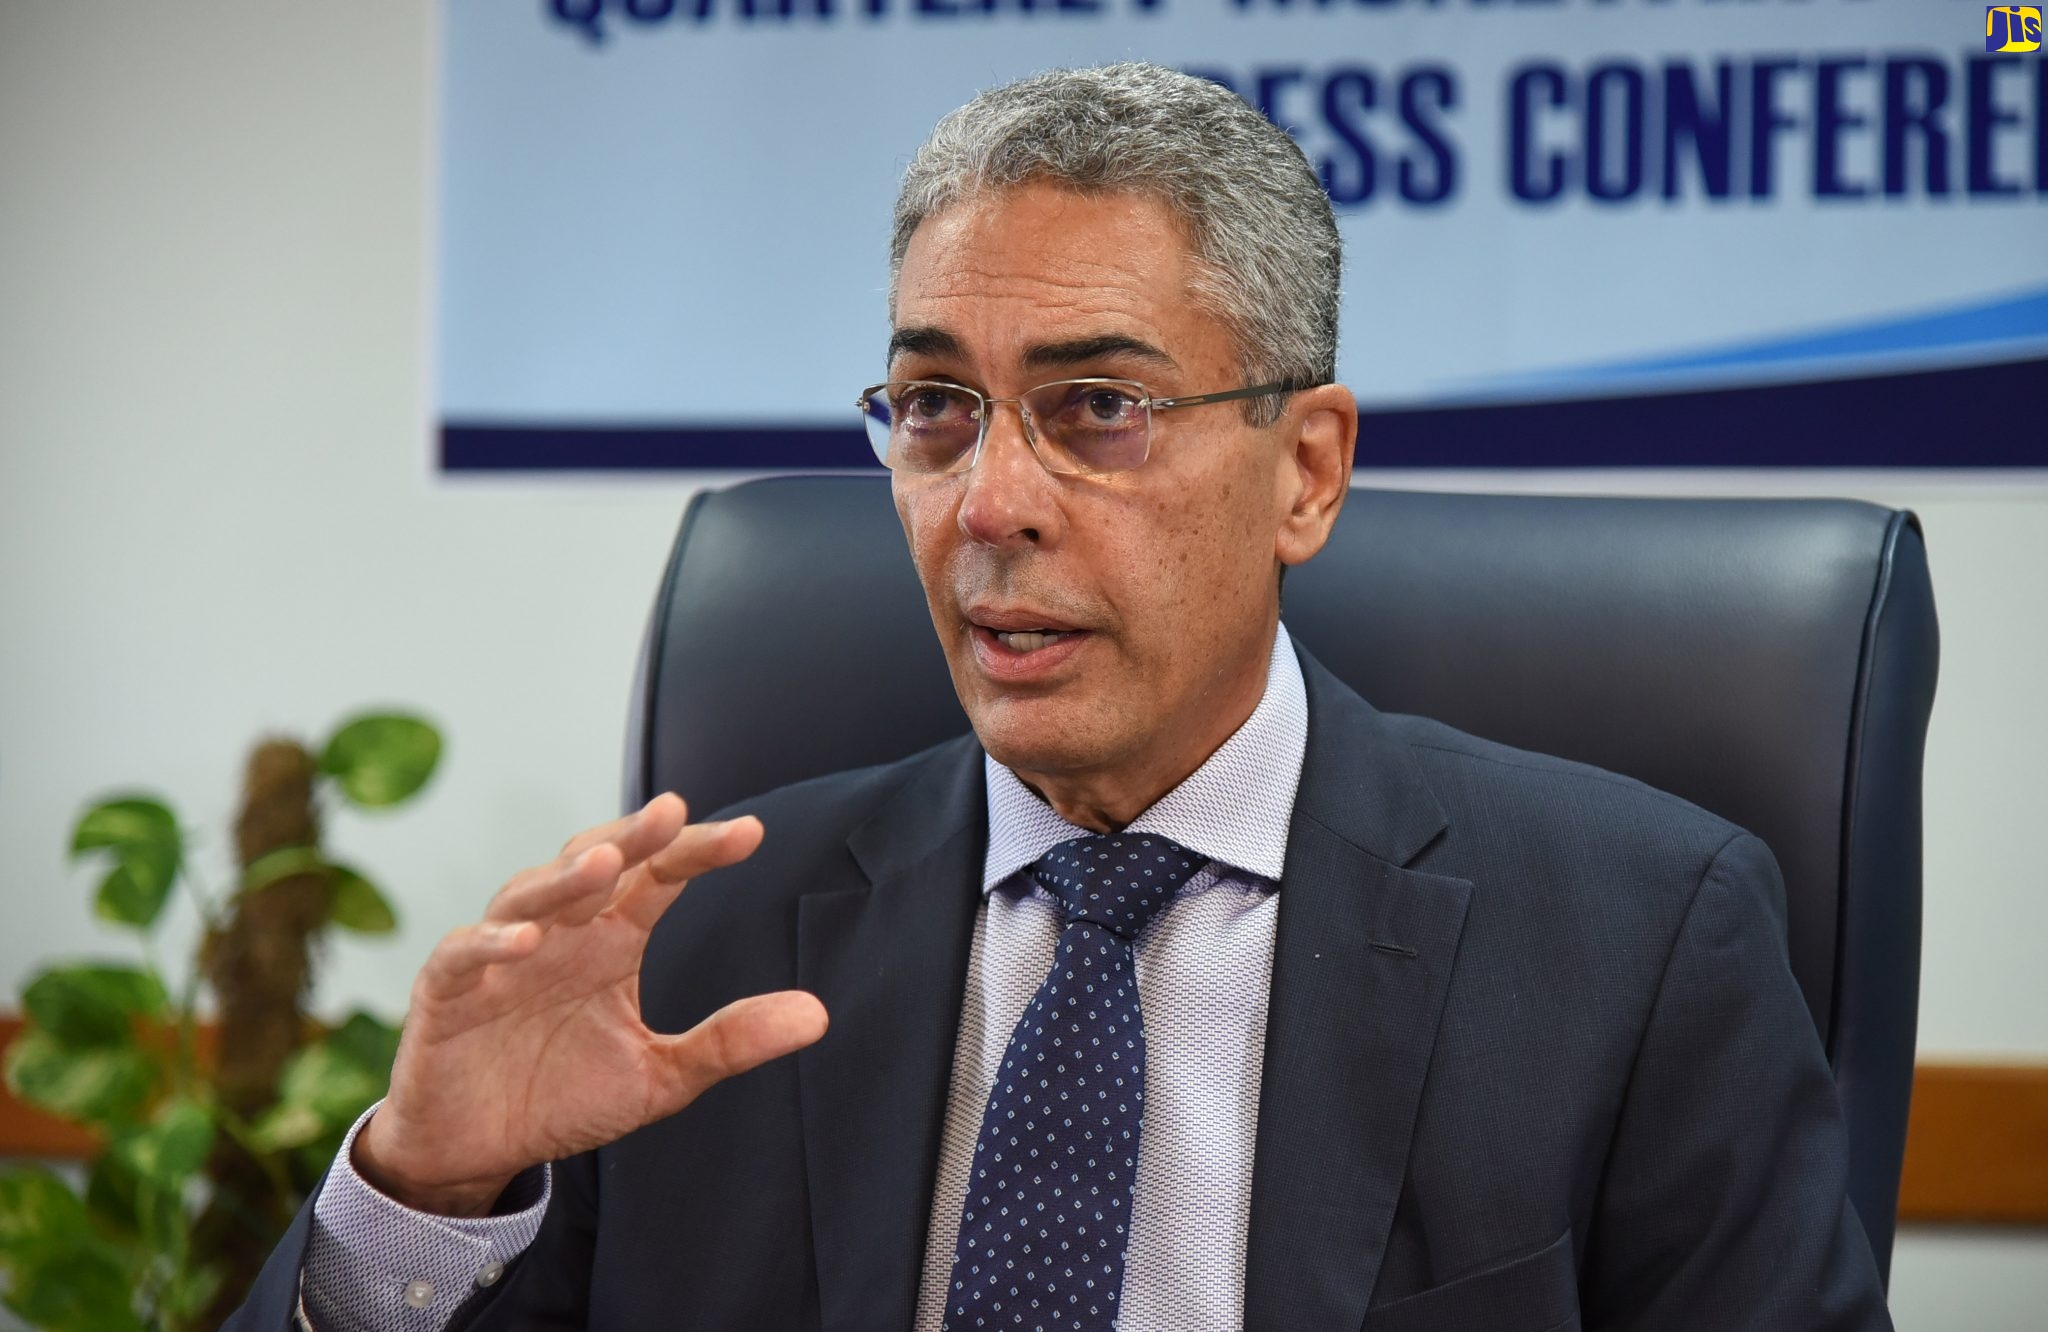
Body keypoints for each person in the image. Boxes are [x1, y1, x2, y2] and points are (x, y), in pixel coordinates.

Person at [230, 62, 1892, 1331]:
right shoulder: (699, 950)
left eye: (1097, 405)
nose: (989, 501)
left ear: (1305, 472)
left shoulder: (1637, 940)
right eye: (936, 405)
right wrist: (425, 1194)